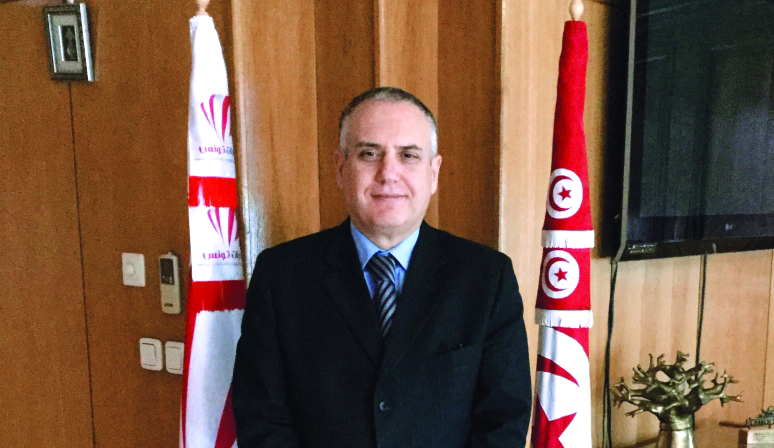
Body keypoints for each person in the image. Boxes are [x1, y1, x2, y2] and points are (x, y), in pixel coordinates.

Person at [232, 87, 531, 447]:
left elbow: (503, 421)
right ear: (340, 167)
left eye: (409, 155)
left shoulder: (487, 278)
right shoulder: (280, 275)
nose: (388, 173)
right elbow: (262, 418)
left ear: (434, 173)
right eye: (369, 153)